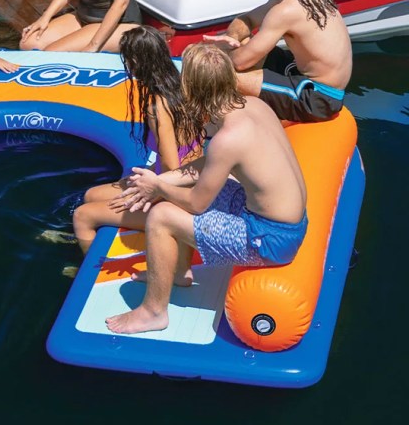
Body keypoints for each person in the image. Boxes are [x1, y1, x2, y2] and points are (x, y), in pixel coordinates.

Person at [105, 43, 308, 335]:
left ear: (192, 89)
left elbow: (197, 205)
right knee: (179, 194)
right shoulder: (253, 105)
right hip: (283, 223)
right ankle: (177, 273)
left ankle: (153, 313)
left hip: (268, 239)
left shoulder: (229, 138)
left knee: (162, 215)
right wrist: (168, 179)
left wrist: (159, 186)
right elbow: (210, 163)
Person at [72, 26, 200, 253]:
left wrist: (145, 195)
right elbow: (188, 151)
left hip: (175, 197)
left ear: (135, 61)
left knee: (82, 216)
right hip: (187, 181)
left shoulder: (157, 108)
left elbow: (173, 166)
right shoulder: (181, 86)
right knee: (90, 195)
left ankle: (86, 268)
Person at [202, 0, 351, 122]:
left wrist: (217, 52)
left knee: (212, 73)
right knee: (244, 44)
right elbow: (245, 20)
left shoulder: (286, 11)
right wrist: (232, 39)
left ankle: (207, 128)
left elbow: (239, 62)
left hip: (318, 98)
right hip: (303, 74)